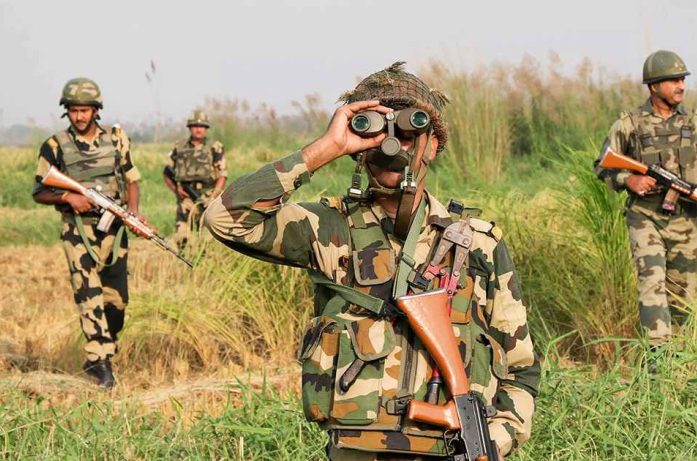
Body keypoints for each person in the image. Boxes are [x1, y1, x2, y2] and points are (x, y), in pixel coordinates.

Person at [204, 62, 540, 459]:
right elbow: (226, 220)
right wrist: (325, 149)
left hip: (453, 448)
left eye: (408, 130)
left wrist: (494, 442)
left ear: (433, 144)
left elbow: (521, 369)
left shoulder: (477, 245)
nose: (390, 144)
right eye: (372, 129)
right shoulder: (328, 229)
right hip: (357, 449)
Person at [595, 50, 697, 350]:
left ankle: (680, 362)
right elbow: (603, 165)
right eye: (673, 80)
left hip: (687, 219)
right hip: (645, 216)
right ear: (653, 86)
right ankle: (658, 361)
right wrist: (630, 180)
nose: (681, 85)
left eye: (682, 79)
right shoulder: (629, 124)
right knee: (652, 285)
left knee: (682, 294)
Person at [32, 77, 147, 389]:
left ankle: (106, 345)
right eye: (73, 110)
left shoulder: (117, 139)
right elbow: (40, 191)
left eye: (85, 110)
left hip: (113, 229)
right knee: (89, 295)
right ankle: (99, 361)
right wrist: (68, 197)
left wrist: (132, 213)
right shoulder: (55, 146)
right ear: (66, 112)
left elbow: (132, 178)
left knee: (117, 301)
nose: (79, 116)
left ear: (96, 110)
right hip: (77, 231)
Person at [163, 110, 227, 250]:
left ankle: (205, 266)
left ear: (206, 129)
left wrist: (214, 195)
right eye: (195, 126)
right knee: (182, 239)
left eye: (202, 126)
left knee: (208, 241)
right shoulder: (179, 147)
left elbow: (222, 174)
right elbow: (167, 173)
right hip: (186, 200)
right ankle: (186, 265)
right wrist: (176, 190)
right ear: (190, 128)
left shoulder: (214, 147)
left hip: (207, 197)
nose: (199, 129)